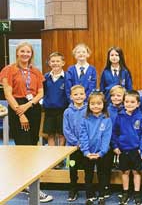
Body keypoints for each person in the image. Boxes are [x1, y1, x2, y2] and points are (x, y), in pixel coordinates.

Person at [0, 41, 53, 203]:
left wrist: (29, 105)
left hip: (33, 108)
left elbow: (41, 92)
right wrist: (20, 112)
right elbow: (8, 94)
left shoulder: (35, 71)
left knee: (32, 146)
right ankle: (31, 188)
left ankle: (27, 183)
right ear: (17, 53)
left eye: (28, 52)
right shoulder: (8, 70)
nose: (25, 54)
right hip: (17, 107)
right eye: (22, 51)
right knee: (23, 148)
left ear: (31, 54)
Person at [111, 90, 142, 205]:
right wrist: (115, 146)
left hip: (136, 150)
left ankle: (137, 193)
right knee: (125, 172)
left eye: (132, 102)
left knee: (136, 172)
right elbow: (114, 132)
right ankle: (125, 192)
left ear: (138, 104)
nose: (129, 104)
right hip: (123, 150)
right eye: (126, 101)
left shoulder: (141, 117)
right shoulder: (119, 116)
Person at [80, 91, 112, 205]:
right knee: (88, 175)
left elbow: (106, 138)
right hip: (88, 153)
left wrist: (101, 152)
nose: (96, 106)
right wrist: (86, 152)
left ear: (103, 104)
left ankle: (102, 195)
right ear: (88, 105)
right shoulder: (85, 119)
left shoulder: (107, 120)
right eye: (92, 103)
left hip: (102, 153)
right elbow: (83, 135)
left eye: (99, 103)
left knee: (102, 174)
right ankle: (89, 196)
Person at [63, 85, 87, 202]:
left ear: (85, 95)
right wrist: (76, 143)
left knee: (88, 168)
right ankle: (73, 188)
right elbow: (66, 130)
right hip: (72, 148)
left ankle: (89, 189)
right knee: (72, 168)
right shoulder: (67, 112)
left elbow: (90, 128)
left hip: (86, 146)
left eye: (81, 94)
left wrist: (83, 143)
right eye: (76, 94)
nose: (79, 96)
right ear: (71, 97)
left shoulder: (89, 110)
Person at [43, 52, 68, 155]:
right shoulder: (45, 77)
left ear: (63, 63)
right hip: (49, 110)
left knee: (62, 134)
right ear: (49, 63)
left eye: (58, 61)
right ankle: (52, 156)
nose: (55, 63)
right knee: (50, 134)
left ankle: (60, 156)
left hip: (63, 110)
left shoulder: (67, 77)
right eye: (52, 61)